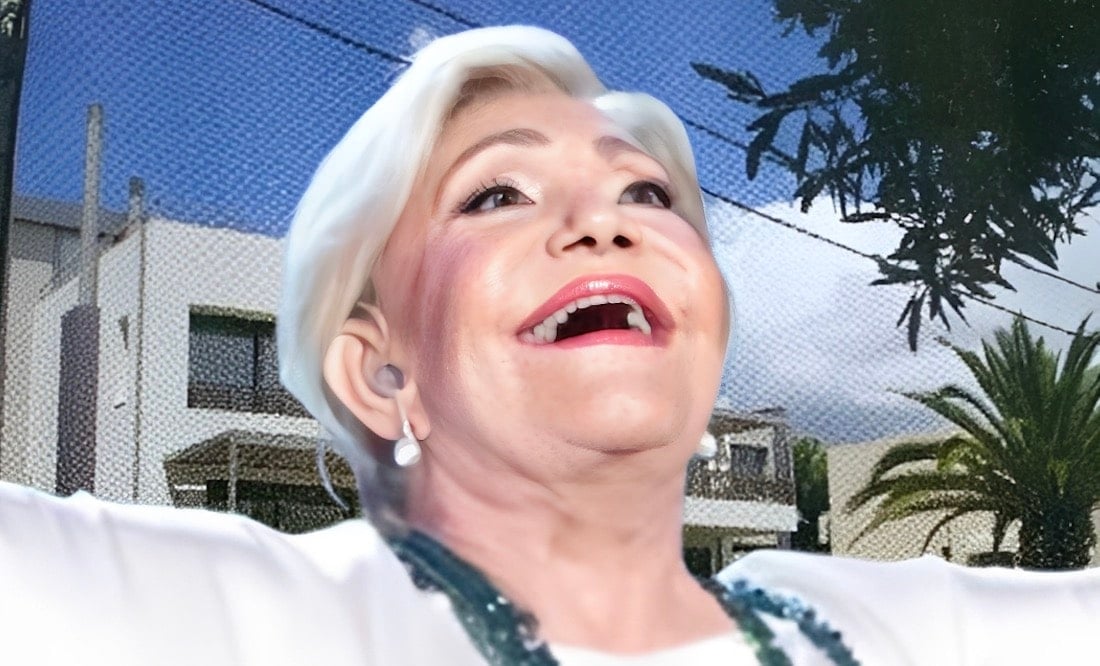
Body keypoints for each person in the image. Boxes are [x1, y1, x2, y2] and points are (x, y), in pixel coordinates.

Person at [1, 24, 1099, 666]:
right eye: (498, 193)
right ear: (378, 373)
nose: (604, 222)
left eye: (646, 193)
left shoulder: (887, 621)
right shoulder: (254, 614)